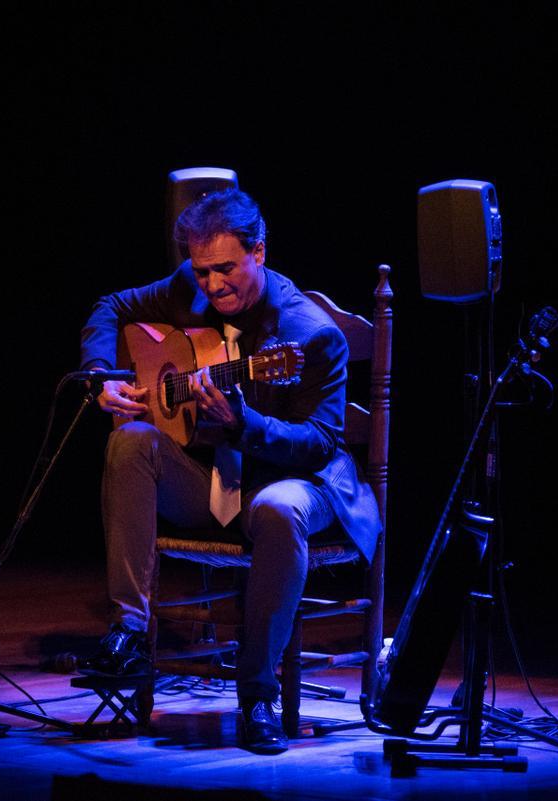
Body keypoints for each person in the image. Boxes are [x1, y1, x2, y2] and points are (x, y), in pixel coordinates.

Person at [77, 188, 381, 754]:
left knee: (277, 508)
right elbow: (110, 306)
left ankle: (258, 694)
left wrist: (245, 426)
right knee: (131, 442)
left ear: (259, 253)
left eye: (225, 270)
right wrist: (101, 377)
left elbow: (320, 444)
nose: (212, 286)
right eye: (202, 271)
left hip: (295, 481)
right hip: (213, 483)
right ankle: (127, 634)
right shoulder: (189, 287)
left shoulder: (309, 333)